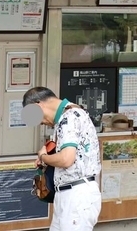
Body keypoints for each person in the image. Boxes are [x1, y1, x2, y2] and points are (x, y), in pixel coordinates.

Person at [24, 87, 102, 231]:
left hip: (76, 195)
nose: (43, 123)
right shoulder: (69, 115)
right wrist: (47, 157)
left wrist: (44, 157)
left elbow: (66, 159)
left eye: (40, 120)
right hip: (69, 193)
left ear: (37, 105)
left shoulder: (70, 117)